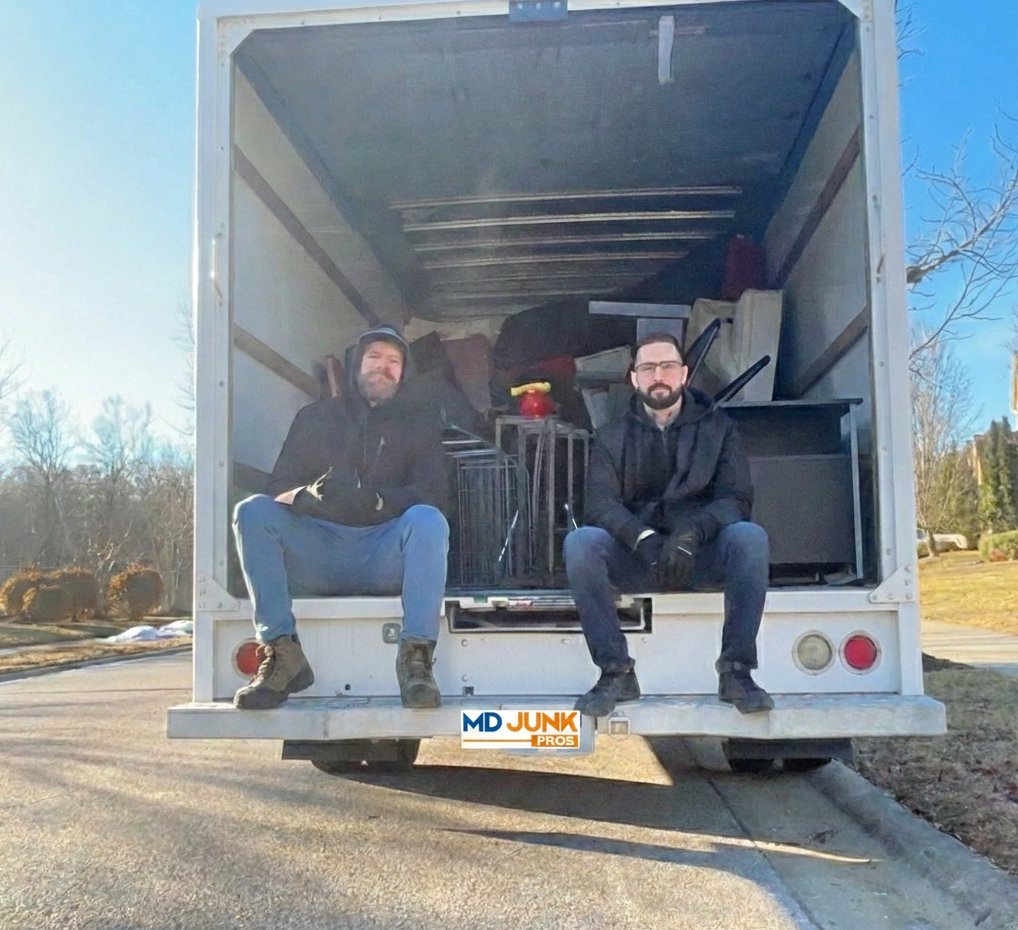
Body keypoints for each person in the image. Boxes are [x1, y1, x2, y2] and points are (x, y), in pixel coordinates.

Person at [231, 324, 450, 711]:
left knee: (428, 520)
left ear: (404, 372)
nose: (383, 366)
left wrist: (381, 501)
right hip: (319, 550)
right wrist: (308, 496)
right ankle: (282, 654)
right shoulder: (314, 418)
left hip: (382, 553)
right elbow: (277, 488)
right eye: (374, 357)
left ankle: (415, 660)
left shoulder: (420, 424)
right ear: (356, 365)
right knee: (251, 511)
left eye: (394, 361)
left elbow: (434, 494)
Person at [564, 332, 773, 716]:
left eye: (667, 366)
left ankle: (736, 671)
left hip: (700, 554)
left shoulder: (720, 429)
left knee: (750, 538)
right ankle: (615, 672)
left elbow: (736, 498)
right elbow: (599, 504)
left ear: (684, 374)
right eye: (648, 368)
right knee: (581, 543)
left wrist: (693, 533)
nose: (658, 376)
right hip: (637, 557)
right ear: (634, 378)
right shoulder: (610, 437)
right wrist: (641, 538)